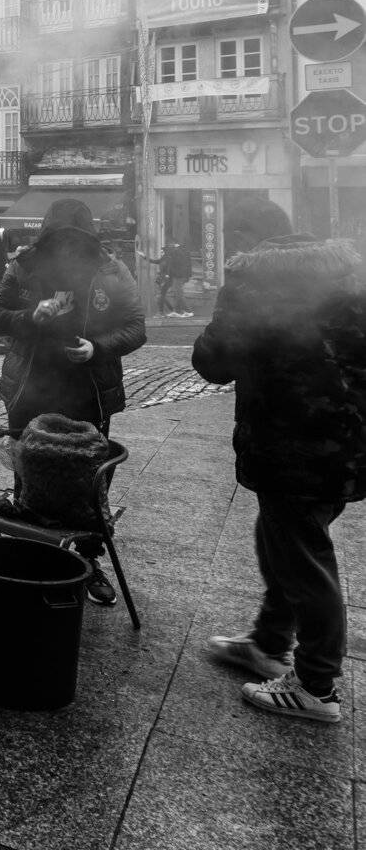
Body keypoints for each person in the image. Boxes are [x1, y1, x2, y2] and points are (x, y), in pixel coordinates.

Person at [196, 198, 366, 724]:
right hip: (351, 441)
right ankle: (269, 641)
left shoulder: (252, 282)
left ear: (248, 237)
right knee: (287, 541)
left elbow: (213, 362)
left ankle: (317, 685)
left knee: (303, 558)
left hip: (291, 443)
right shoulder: (350, 275)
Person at [0, 197, 146, 606]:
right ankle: (30, 551)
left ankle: (90, 559)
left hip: (88, 390)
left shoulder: (112, 269)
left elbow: (135, 327)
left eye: (76, 241)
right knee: (27, 467)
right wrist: (28, 316)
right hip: (30, 387)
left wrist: (97, 348)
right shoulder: (24, 265)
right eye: (60, 240)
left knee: (90, 478)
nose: (68, 249)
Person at [139, 242, 193, 318]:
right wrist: (144, 256)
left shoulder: (169, 258)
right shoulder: (164, 258)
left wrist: (167, 276)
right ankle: (172, 311)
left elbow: (170, 268)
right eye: (160, 251)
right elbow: (155, 261)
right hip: (165, 279)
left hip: (167, 279)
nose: (161, 252)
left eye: (162, 251)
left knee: (165, 295)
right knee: (165, 295)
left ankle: (165, 312)